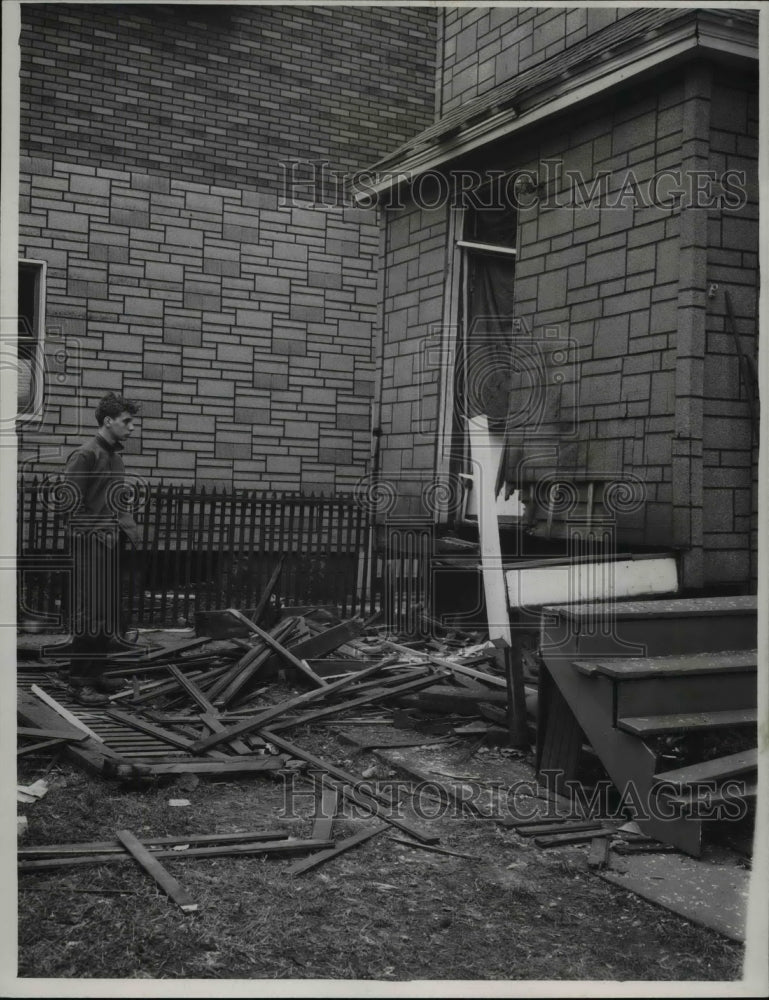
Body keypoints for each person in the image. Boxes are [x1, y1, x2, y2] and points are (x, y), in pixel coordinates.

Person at [62, 392, 141, 705]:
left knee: (106, 611)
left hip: (111, 543)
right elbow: (68, 507)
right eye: (127, 422)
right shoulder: (86, 455)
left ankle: (96, 673)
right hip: (90, 545)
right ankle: (79, 683)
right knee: (89, 612)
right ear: (108, 421)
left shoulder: (115, 457)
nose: (132, 428)